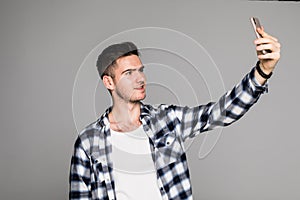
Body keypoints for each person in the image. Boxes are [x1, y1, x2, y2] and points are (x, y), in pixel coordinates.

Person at [69, 27, 281, 200]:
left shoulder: (167, 120)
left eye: (141, 70)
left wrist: (262, 72)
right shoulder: (89, 143)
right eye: (128, 73)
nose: (140, 79)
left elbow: (219, 113)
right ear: (109, 82)